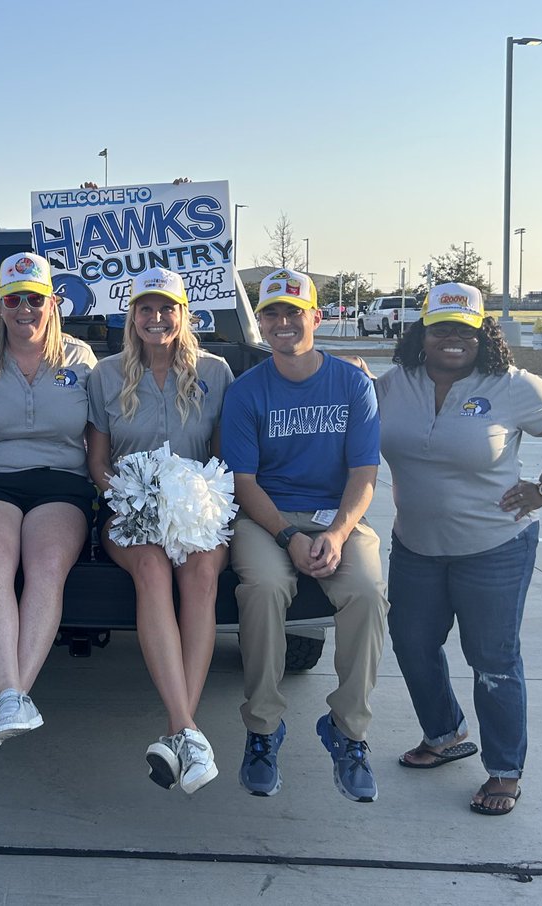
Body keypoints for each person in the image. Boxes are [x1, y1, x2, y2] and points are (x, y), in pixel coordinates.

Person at [377, 282, 542, 817]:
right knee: (411, 645)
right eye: (441, 326)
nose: (453, 337)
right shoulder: (392, 384)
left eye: (465, 328)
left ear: (483, 333)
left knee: (492, 659)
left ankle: (504, 770)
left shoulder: (510, 385)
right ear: (422, 332)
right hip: (416, 546)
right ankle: (446, 734)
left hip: (494, 548)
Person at [220, 268, 388, 802]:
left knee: (366, 592)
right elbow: (243, 483)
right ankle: (263, 729)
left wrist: (337, 533)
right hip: (267, 518)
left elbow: (364, 474)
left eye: (295, 312)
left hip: (337, 517)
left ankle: (347, 729)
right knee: (265, 589)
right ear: (261, 324)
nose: (284, 322)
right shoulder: (247, 392)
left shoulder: (352, 382)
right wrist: (289, 535)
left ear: (317, 316)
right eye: (272, 313)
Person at [86, 267, 233, 794]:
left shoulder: (216, 372)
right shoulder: (105, 374)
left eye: (167, 307)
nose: (156, 318)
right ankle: (188, 730)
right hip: (131, 509)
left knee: (201, 574)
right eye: (145, 308)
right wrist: (134, 498)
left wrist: (197, 501)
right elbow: (98, 462)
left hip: (197, 511)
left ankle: (180, 730)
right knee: (150, 568)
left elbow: (222, 455)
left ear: (183, 314)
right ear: (132, 316)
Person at [0, 252, 96, 749]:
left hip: (61, 480)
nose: (24, 310)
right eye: (14, 300)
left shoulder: (80, 358)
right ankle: (14, 697)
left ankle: (10, 696)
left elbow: (105, 432)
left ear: (53, 303)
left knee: (48, 564)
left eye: (35, 299)